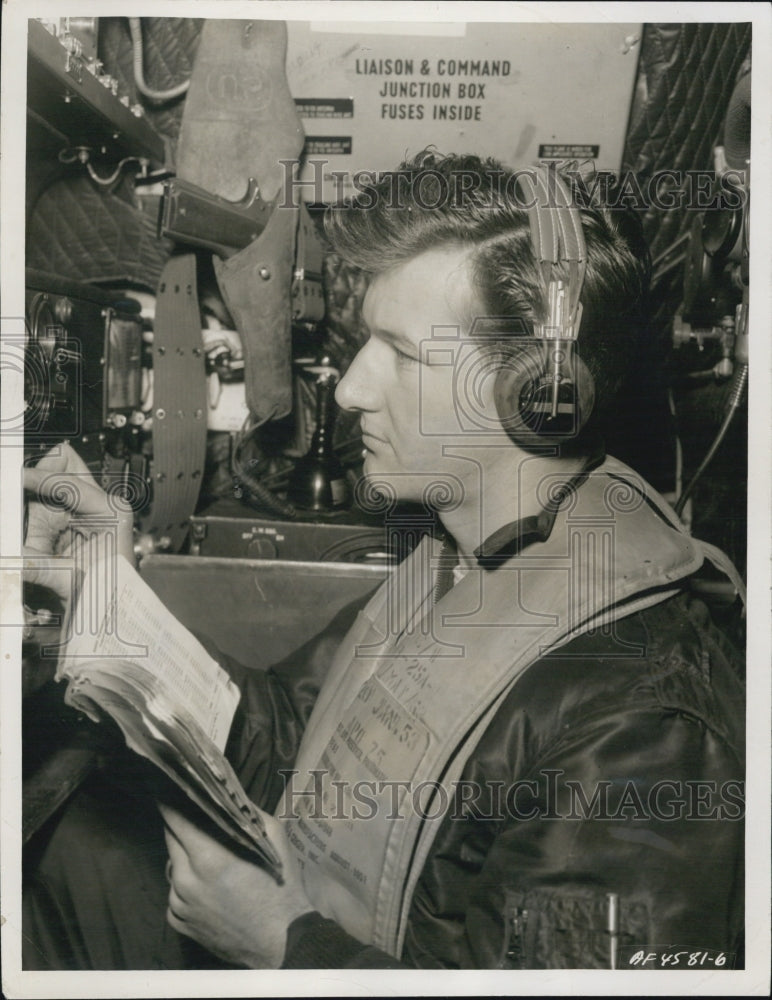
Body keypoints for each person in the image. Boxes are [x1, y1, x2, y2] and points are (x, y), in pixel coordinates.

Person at [22, 152, 744, 971]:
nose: (353, 389)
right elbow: (292, 737)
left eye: (402, 353)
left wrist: (280, 942)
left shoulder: (643, 728)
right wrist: (104, 604)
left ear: (539, 392)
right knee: (61, 843)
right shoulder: (461, 556)